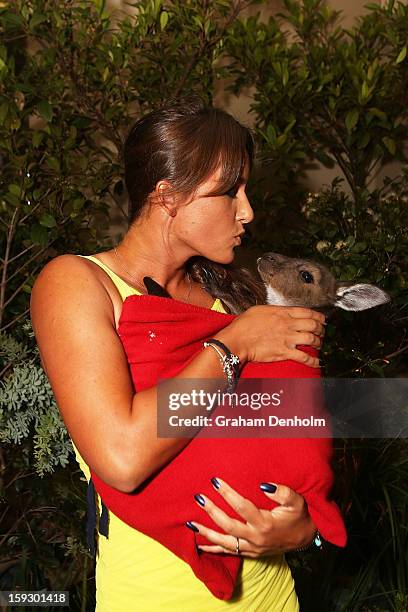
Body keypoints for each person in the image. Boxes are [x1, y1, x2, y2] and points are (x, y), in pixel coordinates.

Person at [30, 98, 326, 611]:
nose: (247, 210)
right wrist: (233, 346)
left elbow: (291, 442)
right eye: (229, 191)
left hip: (275, 598)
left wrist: (304, 530)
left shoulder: (239, 296)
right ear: (168, 196)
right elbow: (122, 458)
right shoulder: (79, 285)